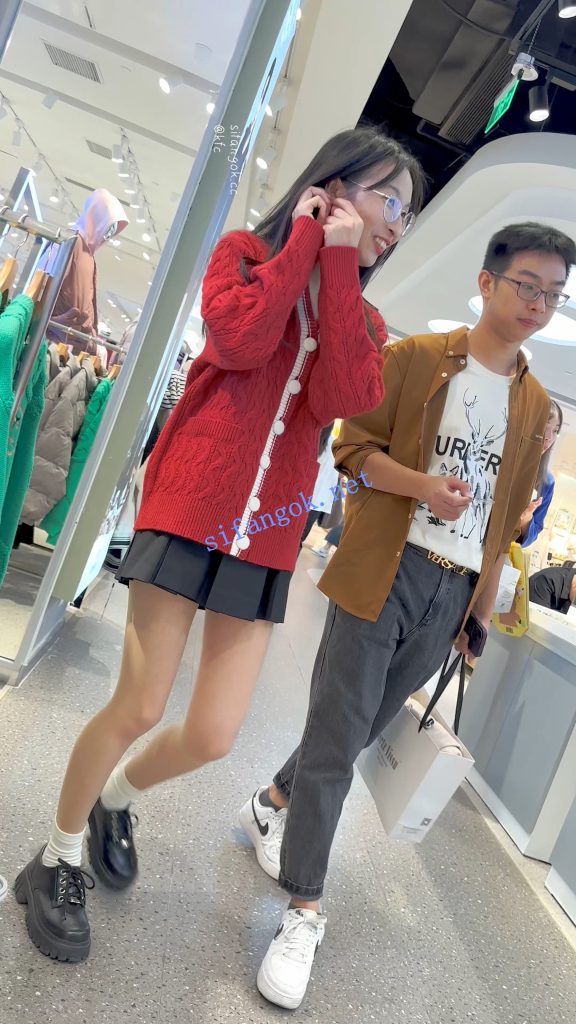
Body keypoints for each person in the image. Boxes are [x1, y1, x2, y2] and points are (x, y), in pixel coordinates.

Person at [14, 126, 426, 962]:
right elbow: (239, 341)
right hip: (190, 508)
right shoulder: (245, 255)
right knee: (139, 705)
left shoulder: (364, 317)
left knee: (214, 734)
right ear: (336, 187)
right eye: (390, 199)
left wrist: (338, 268)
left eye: (407, 212)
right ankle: (53, 858)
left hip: (266, 539)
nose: (396, 222)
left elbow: (346, 395)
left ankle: (115, 798)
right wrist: (305, 242)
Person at [239, 220, 576, 1010]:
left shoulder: (535, 406)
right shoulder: (417, 358)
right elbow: (351, 454)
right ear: (488, 283)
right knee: (338, 737)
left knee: (354, 733)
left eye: (554, 294)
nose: (538, 304)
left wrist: (479, 612)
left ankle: (273, 801)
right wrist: (423, 487)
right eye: (527, 285)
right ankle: (303, 911)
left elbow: (503, 520)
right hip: (384, 570)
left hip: (451, 593)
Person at [519, 399, 563, 546]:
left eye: (555, 431)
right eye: (545, 426)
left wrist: (526, 518)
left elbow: (531, 537)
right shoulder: (501, 459)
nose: (549, 437)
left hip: (498, 551)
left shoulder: (547, 481)